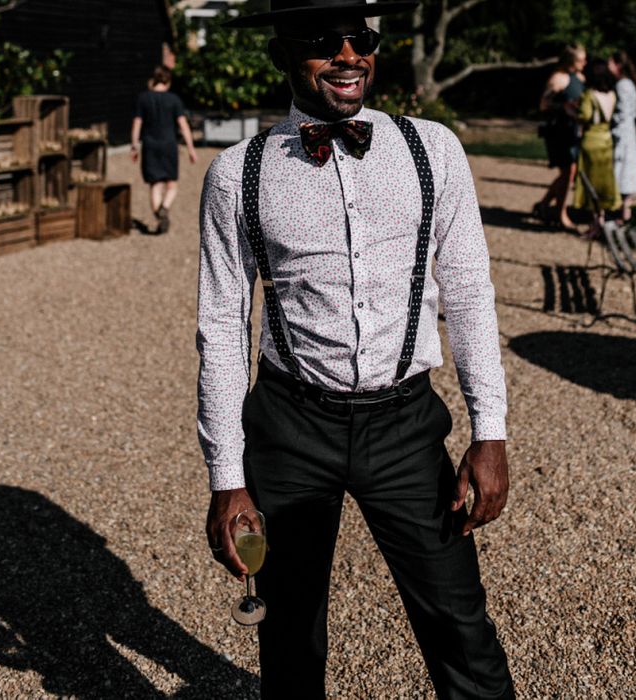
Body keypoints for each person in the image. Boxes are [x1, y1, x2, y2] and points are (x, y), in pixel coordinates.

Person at [197, 1, 515, 698]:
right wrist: (227, 478)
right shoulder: (236, 174)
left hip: (404, 425)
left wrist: (489, 431)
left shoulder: (432, 149)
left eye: (360, 37)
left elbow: (468, 291)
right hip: (289, 428)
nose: (347, 54)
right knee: (290, 634)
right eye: (322, 40)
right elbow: (222, 326)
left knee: (461, 627)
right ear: (284, 51)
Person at [131, 65, 197, 234]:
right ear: (168, 81)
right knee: (172, 184)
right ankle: (165, 208)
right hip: (169, 144)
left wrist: (134, 145)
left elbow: (137, 123)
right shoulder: (174, 100)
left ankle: (159, 214)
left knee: (155, 184)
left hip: (150, 145)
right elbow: (183, 126)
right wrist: (191, 148)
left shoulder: (143, 98)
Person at [534, 43, 587, 230]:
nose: (585, 62)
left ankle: (544, 204)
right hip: (559, 131)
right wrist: (563, 107)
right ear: (572, 60)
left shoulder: (580, 78)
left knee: (569, 173)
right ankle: (560, 213)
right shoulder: (559, 78)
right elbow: (543, 104)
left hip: (574, 131)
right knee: (569, 171)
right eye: (581, 59)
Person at [573, 59, 622, 238]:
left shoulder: (590, 95)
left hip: (592, 140)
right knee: (604, 183)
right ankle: (602, 219)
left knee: (591, 183)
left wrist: (573, 112)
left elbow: (585, 116)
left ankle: (595, 222)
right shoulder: (612, 95)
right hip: (607, 141)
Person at [608, 50, 636, 222]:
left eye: (610, 63)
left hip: (622, 131)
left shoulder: (622, 85)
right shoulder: (629, 83)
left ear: (618, 65)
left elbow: (623, 111)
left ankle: (619, 213)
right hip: (628, 131)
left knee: (621, 169)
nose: (608, 66)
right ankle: (624, 213)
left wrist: (608, 121)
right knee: (625, 170)